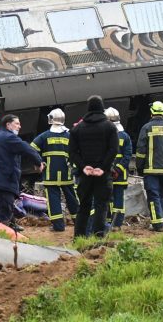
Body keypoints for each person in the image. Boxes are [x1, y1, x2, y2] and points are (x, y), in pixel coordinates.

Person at [0, 114, 44, 232]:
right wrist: (38, 162)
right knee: (3, 218)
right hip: (4, 183)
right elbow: (26, 148)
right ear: (8, 125)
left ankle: (10, 225)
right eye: (17, 123)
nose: (20, 126)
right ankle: (4, 241)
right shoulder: (9, 138)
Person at [69, 95, 118, 238]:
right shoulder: (110, 127)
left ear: (88, 108)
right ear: (102, 108)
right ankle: (98, 237)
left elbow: (72, 152)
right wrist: (103, 167)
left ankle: (79, 237)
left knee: (83, 206)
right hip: (103, 174)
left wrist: (84, 166)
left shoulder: (78, 129)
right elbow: (113, 149)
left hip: (85, 174)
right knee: (101, 206)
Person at [31, 109, 79, 232]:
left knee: (53, 200)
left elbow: (32, 148)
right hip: (66, 173)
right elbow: (78, 152)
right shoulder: (69, 135)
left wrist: (39, 162)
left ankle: (58, 226)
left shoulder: (45, 135)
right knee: (72, 198)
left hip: (50, 174)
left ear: (51, 119)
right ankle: (79, 223)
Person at [135, 100, 163, 231]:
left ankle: (158, 225)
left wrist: (140, 168)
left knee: (154, 197)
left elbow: (141, 151)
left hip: (151, 170)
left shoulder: (147, 128)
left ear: (152, 112)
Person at [104, 107, 132, 229]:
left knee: (109, 198)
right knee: (119, 198)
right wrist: (119, 169)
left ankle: (110, 221)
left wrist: (111, 170)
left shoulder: (105, 135)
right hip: (120, 174)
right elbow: (128, 156)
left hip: (108, 173)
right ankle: (118, 224)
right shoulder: (125, 136)